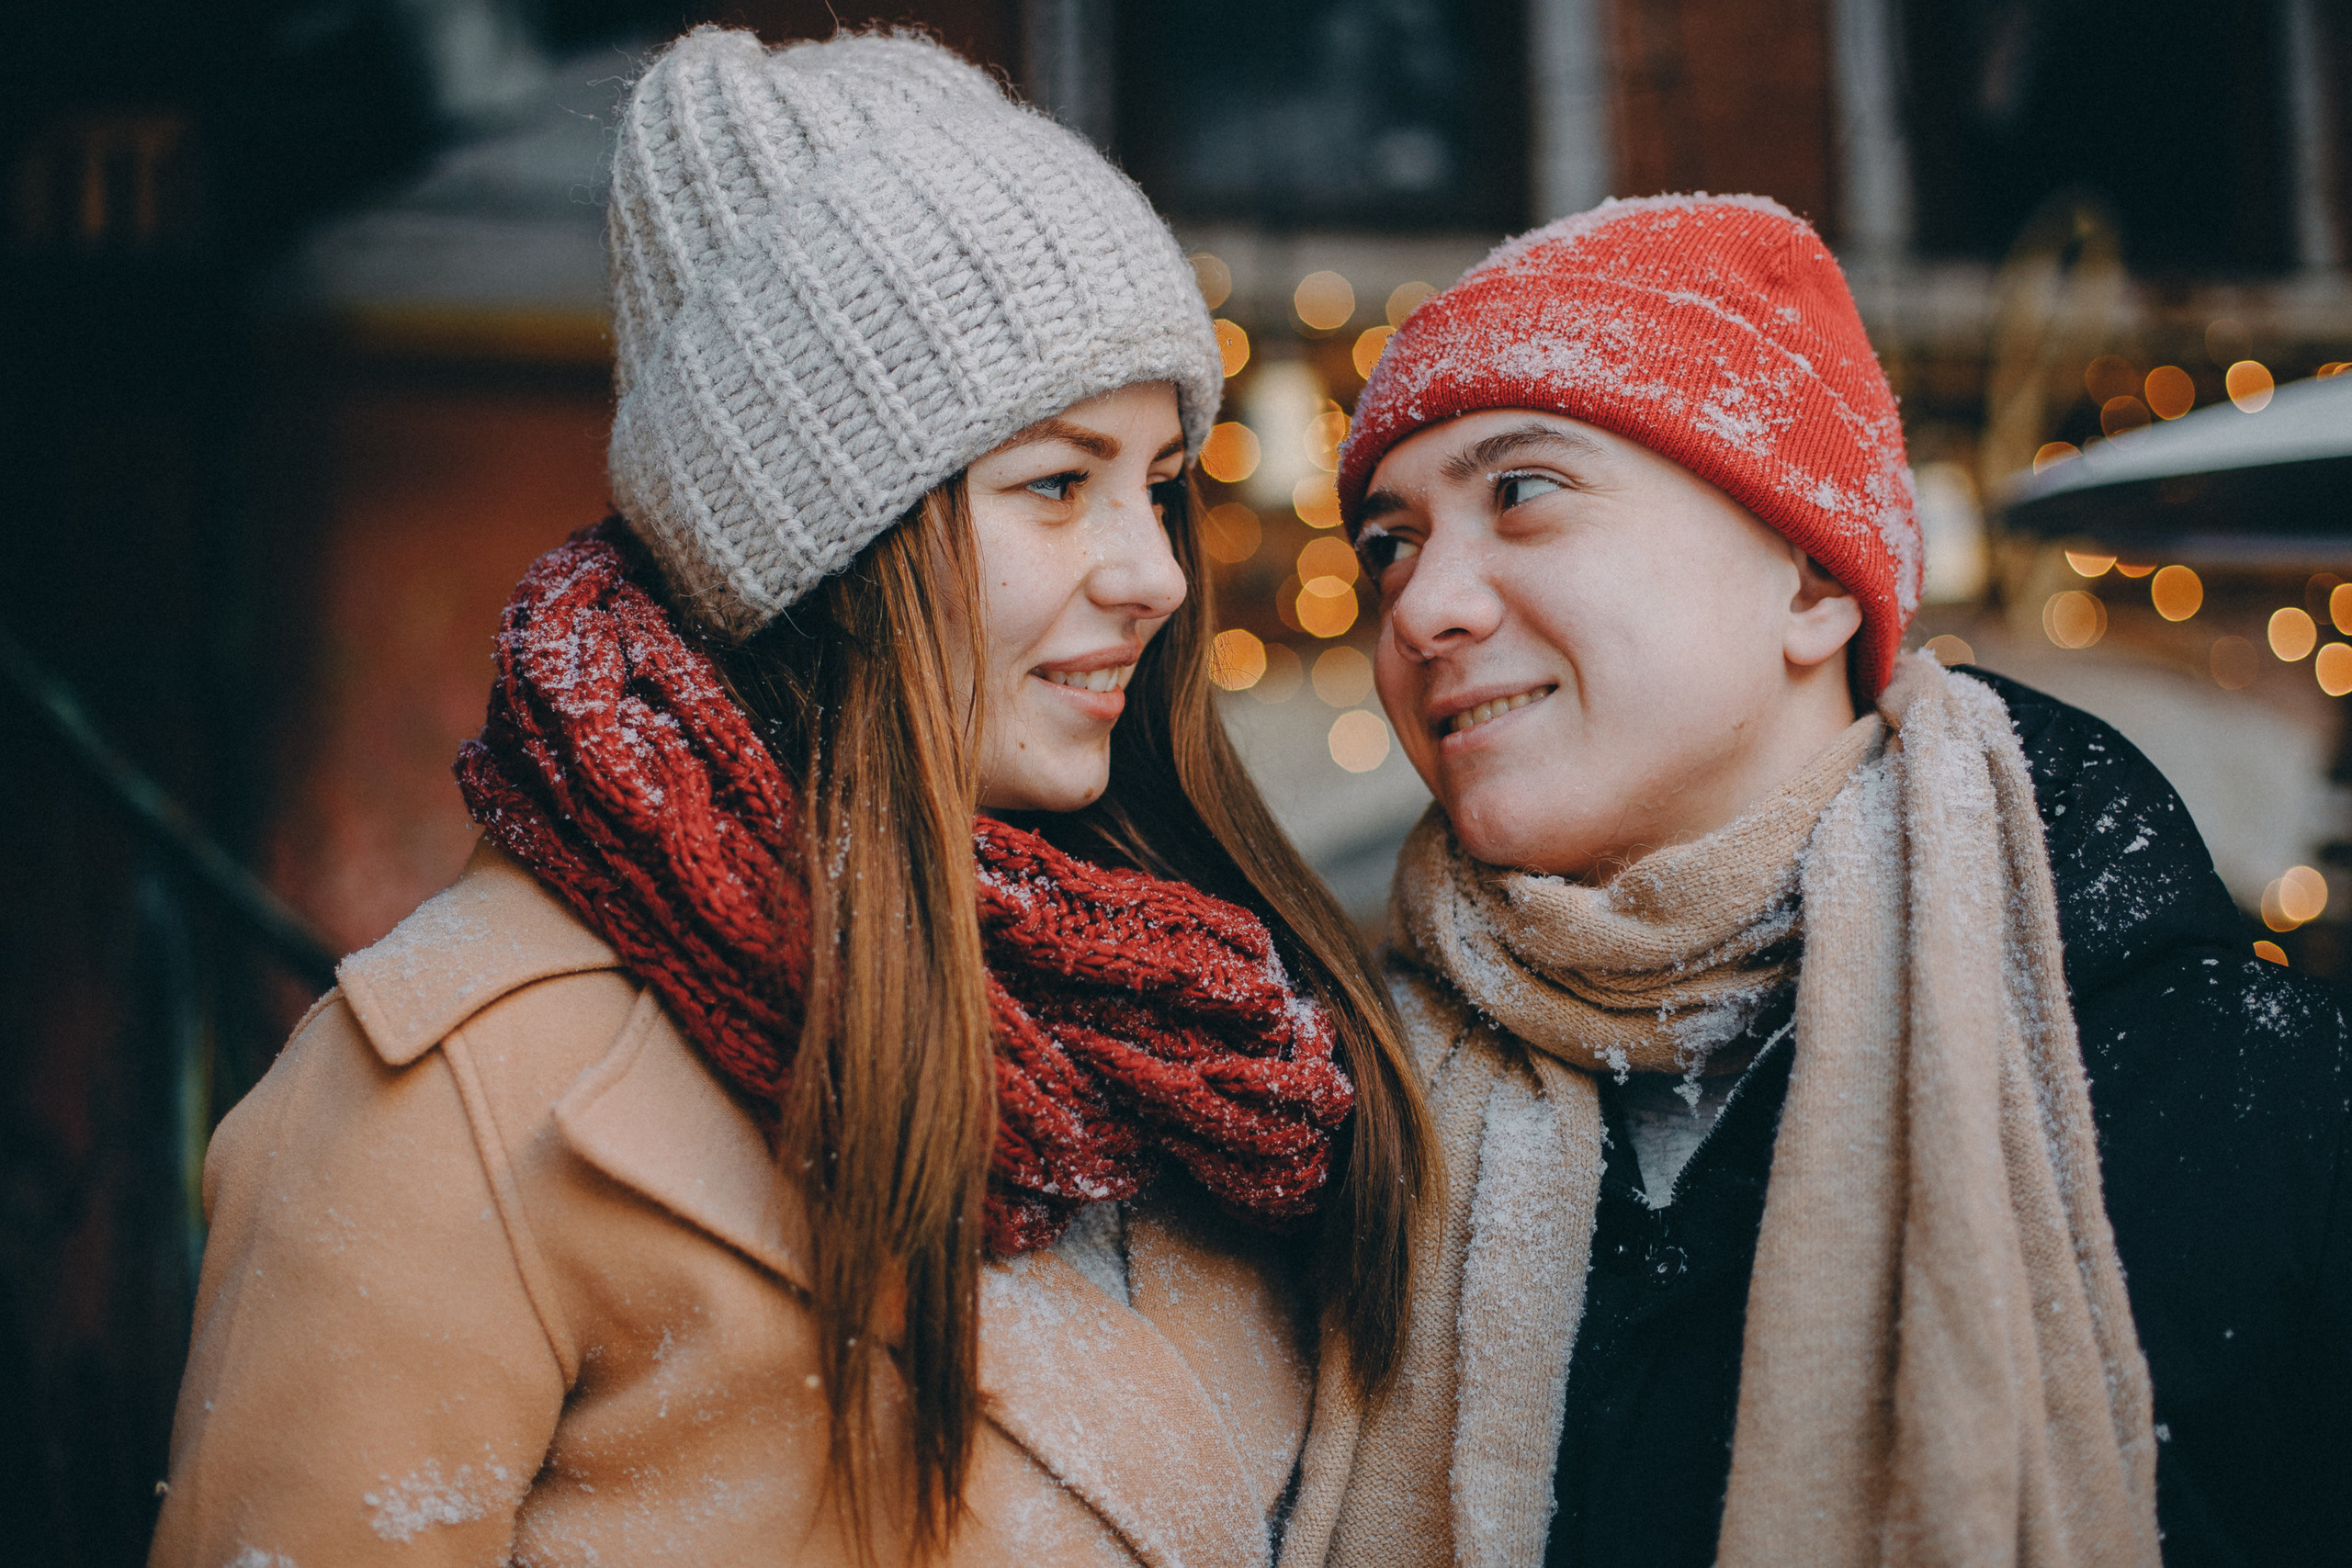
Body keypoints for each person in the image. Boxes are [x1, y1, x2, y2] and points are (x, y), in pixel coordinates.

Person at [151, 29, 1430, 1567]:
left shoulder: (1206, 1038)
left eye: (1158, 483)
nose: (1155, 575)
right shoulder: (460, 1099)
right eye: (1055, 483)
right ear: (826, 546)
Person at [1276, 196, 2350, 1568]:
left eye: (1521, 494)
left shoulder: (2258, 1100)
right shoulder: (1337, 1122)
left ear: (1808, 579)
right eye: (1389, 543)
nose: (1423, 606)